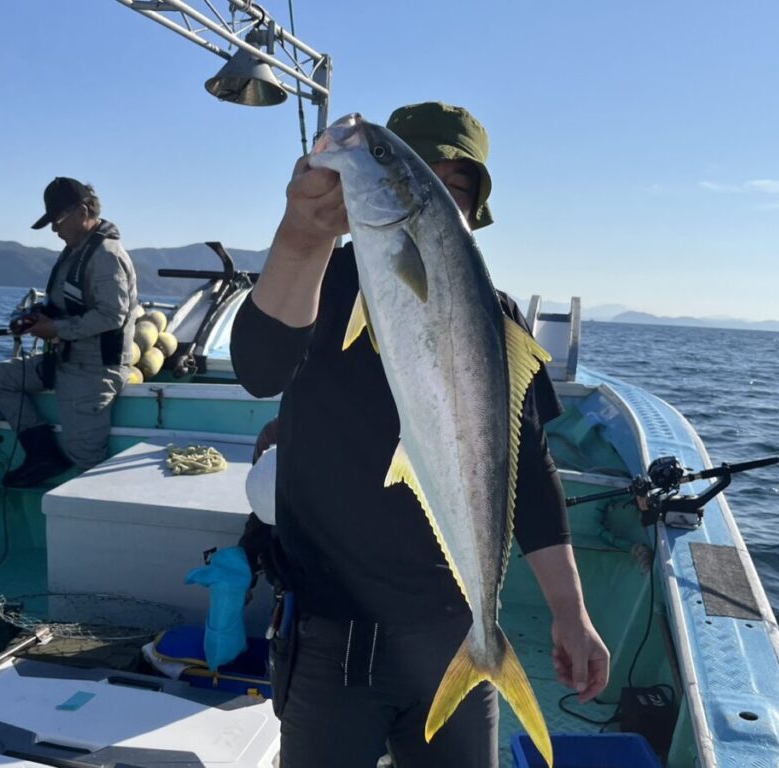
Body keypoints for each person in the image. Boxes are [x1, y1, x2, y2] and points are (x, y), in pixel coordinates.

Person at [230, 102, 609, 767]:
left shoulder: (496, 317)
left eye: (454, 185)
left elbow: (529, 472)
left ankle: (486, 650)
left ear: (471, 208)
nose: (437, 192)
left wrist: (569, 611)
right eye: (417, 171)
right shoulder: (324, 279)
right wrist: (300, 238)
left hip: (453, 630)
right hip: (330, 640)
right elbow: (260, 369)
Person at [0, 177, 139, 488]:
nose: (55, 231)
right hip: (63, 360)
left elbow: (112, 315)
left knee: (84, 457)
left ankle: (98, 520)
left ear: (83, 211)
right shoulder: (75, 249)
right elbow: (71, 301)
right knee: (0, 380)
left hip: (94, 370)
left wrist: (55, 328)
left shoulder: (106, 255)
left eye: (57, 221)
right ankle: (43, 455)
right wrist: (39, 317)